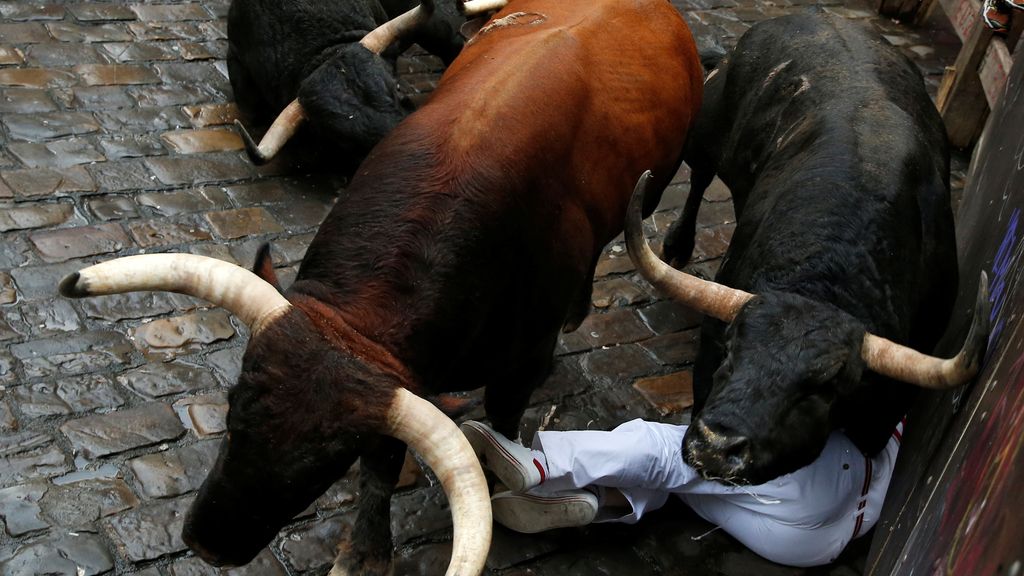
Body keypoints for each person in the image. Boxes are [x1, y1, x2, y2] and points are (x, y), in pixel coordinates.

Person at [460, 417, 903, 568]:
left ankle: (544, 464)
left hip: (828, 466)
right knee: (685, 488)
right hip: (815, 546)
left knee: (679, 454)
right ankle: (599, 501)